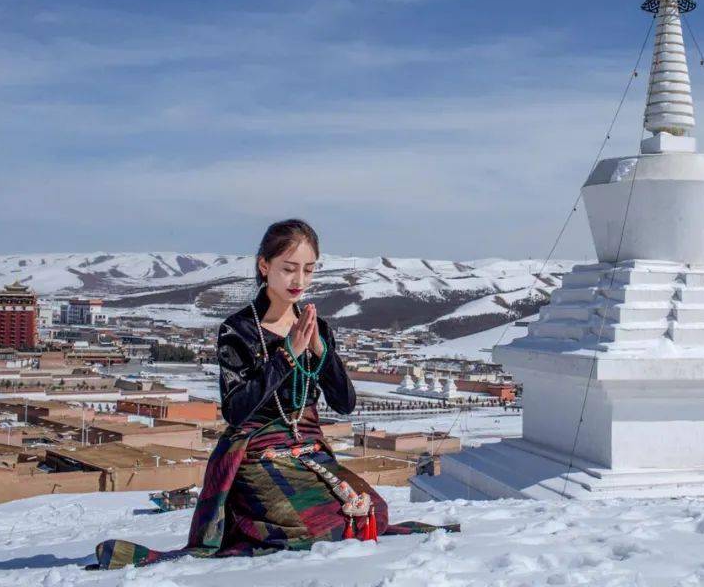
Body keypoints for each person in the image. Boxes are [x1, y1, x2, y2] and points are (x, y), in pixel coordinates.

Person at [95, 219, 456, 569]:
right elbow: (236, 411)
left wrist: (320, 352)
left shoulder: (316, 327)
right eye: (289, 269)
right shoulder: (238, 331)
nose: (299, 280)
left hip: (310, 451)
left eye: (309, 270)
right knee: (312, 527)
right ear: (264, 266)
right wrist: (287, 355)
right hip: (257, 453)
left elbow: (345, 404)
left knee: (371, 511)